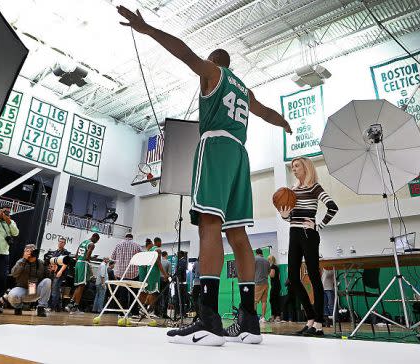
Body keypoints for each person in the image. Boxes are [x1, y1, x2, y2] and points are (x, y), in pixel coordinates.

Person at [116, 5, 292, 346]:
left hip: (215, 148)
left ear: (215, 62)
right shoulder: (243, 89)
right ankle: (248, 321)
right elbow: (266, 111)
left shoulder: (213, 72)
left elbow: (185, 52)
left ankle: (209, 318)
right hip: (240, 154)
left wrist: (148, 28)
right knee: (239, 236)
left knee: (209, 227)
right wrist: (281, 122)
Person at [278, 157, 338, 336]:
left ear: (306, 167)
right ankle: (310, 318)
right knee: (292, 278)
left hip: (309, 234)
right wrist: (284, 215)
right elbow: (291, 218)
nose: (294, 169)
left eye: (297, 166)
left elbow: (333, 207)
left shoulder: (315, 187)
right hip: (293, 233)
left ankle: (318, 324)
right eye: (292, 167)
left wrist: (318, 226)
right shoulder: (293, 190)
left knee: (313, 277)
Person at [0, 244, 51, 317]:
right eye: (27, 251)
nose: (30, 252)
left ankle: (41, 308)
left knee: (47, 281)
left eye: (32, 251)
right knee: (13, 295)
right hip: (23, 289)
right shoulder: (21, 262)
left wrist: (52, 271)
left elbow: (48, 279)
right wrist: (24, 260)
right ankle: (18, 307)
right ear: (24, 253)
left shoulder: (41, 263)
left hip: (35, 290)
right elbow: (14, 274)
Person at [110, 233, 143, 315]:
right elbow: (142, 257)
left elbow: (112, 258)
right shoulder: (137, 245)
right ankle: (134, 312)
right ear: (132, 238)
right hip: (133, 273)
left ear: (125, 237)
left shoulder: (118, 245)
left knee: (123, 294)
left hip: (121, 274)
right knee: (134, 294)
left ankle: (122, 312)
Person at [68, 233, 99, 313]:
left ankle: (70, 304)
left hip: (78, 263)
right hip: (83, 264)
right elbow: (87, 257)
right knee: (82, 286)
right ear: (94, 237)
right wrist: (92, 259)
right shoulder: (91, 244)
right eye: (97, 240)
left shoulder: (83, 242)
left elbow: (76, 256)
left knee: (78, 285)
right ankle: (76, 306)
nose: (96, 242)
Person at [139, 237, 169, 316]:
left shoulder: (150, 250)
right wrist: (165, 274)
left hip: (148, 272)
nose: (161, 244)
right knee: (154, 293)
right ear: (157, 242)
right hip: (154, 272)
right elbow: (158, 263)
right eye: (161, 242)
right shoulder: (157, 250)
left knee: (149, 291)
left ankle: (144, 308)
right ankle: (151, 310)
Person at [46, 237, 71, 311]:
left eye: (63, 242)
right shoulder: (55, 252)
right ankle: (58, 307)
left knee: (55, 290)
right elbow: (53, 262)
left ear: (65, 244)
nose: (61, 243)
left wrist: (60, 271)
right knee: (55, 290)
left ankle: (51, 307)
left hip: (60, 273)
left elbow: (65, 263)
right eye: (60, 241)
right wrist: (51, 268)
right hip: (53, 272)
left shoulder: (65, 252)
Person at [253, 249, 270, 323]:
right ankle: (263, 318)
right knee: (264, 301)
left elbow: (251, 270)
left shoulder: (255, 259)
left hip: (258, 283)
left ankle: (254, 317)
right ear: (262, 253)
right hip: (266, 283)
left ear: (256, 253)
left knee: (255, 301)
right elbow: (269, 272)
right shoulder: (267, 261)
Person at [267, 255, 281, 323]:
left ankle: (276, 316)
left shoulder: (272, 267)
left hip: (275, 285)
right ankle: (274, 315)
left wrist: (267, 271)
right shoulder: (277, 267)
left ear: (270, 260)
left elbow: (272, 275)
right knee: (274, 300)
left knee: (273, 300)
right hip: (277, 285)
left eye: (268, 260)